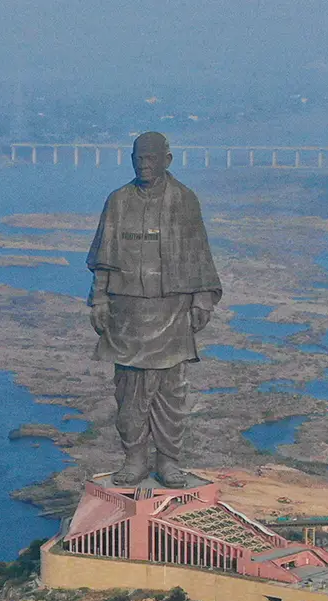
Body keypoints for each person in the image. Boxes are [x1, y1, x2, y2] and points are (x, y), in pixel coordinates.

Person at [87, 131, 221, 487]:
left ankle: (168, 460)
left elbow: (199, 254)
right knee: (129, 390)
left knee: (170, 391)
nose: (143, 165)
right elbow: (103, 259)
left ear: (167, 160)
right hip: (127, 313)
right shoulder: (117, 201)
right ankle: (134, 458)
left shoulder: (184, 200)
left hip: (171, 310)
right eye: (138, 159)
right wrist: (99, 298)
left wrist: (202, 299)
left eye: (150, 159)